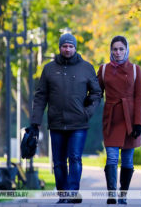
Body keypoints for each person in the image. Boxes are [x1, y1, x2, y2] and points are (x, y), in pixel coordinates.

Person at [28, 33, 102, 204]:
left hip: (79, 123)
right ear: (60, 48)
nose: (67, 49)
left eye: (71, 46)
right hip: (56, 123)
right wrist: (35, 122)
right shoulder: (49, 69)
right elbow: (40, 96)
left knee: (75, 157)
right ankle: (63, 195)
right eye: (64, 46)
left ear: (75, 48)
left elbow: (97, 93)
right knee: (59, 162)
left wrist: (88, 112)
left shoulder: (87, 68)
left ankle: (72, 193)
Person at [97, 36, 141, 204]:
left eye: (121, 49)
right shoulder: (103, 69)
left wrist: (139, 123)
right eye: (115, 49)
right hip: (111, 118)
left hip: (130, 120)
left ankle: (123, 195)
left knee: (127, 160)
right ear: (111, 50)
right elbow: (96, 93)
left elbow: (140, 97)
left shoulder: (134, 69)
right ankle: (112, 193)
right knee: (111, 157)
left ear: (127, 50)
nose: (117, 52)